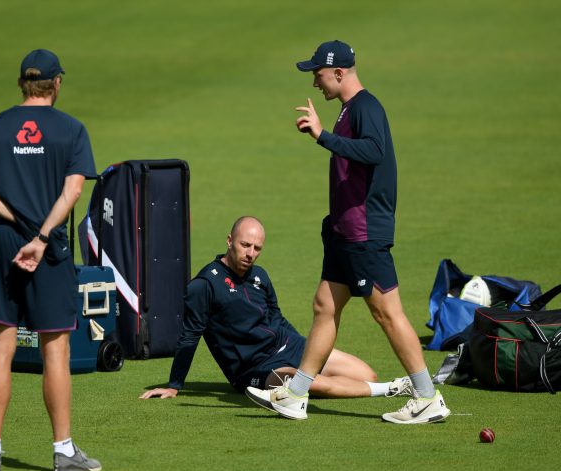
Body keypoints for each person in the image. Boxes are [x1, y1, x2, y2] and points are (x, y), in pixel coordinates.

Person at [245, 40, 450, 424]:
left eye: (318, 75)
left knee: (387, 313)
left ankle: (427, 397)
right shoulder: (347, 110)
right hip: (344, 233)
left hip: (363, 234)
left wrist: (323, 137)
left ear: (339, 73)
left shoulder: (366, 108)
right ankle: (296, 395)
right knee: (325, 306)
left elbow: (374, 151)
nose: (315, 83)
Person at [0, 49, 101, 471]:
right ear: (56, 83)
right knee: (56, 351)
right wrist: (40, 236)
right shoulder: (71, 130)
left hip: (2, 242)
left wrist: (17, 222)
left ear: (23, 83)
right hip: (49, 247)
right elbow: (73, 192)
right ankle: (63, 452)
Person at [140, 216, 412, 402]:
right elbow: (190, 336)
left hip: (288, 346)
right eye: (245, 245)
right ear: (229, 240)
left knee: (366, 374)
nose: (251, 253)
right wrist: (175, 385)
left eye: (257, 248)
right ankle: (392, 389)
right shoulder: (204, 285)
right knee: (299, 382)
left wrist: (302, 346)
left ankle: (378, 384)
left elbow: (277, 317)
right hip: (255, 369)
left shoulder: (260, 276)